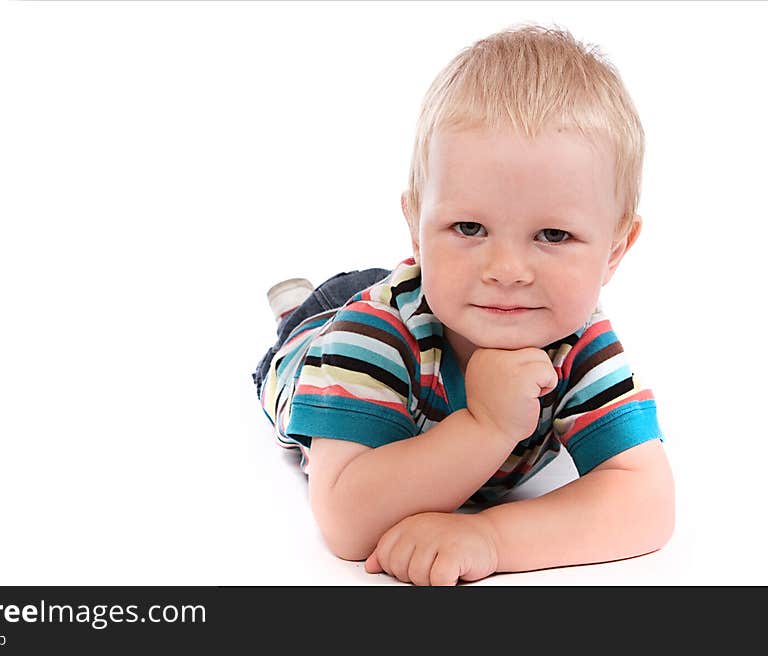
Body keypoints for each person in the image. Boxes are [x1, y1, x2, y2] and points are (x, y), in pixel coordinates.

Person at [251, 24, 674, 585]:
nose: (506, 271)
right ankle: (295, 310)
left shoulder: (579, 343)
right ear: (416, 227)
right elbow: (346, 523)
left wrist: (491, 537)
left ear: (615, 250)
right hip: (323, 337)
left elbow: (646, 498)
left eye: (552, 235)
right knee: (303, 330)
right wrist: (486, 425)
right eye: (468, 226)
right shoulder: (370, 337)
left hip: (442, 292)